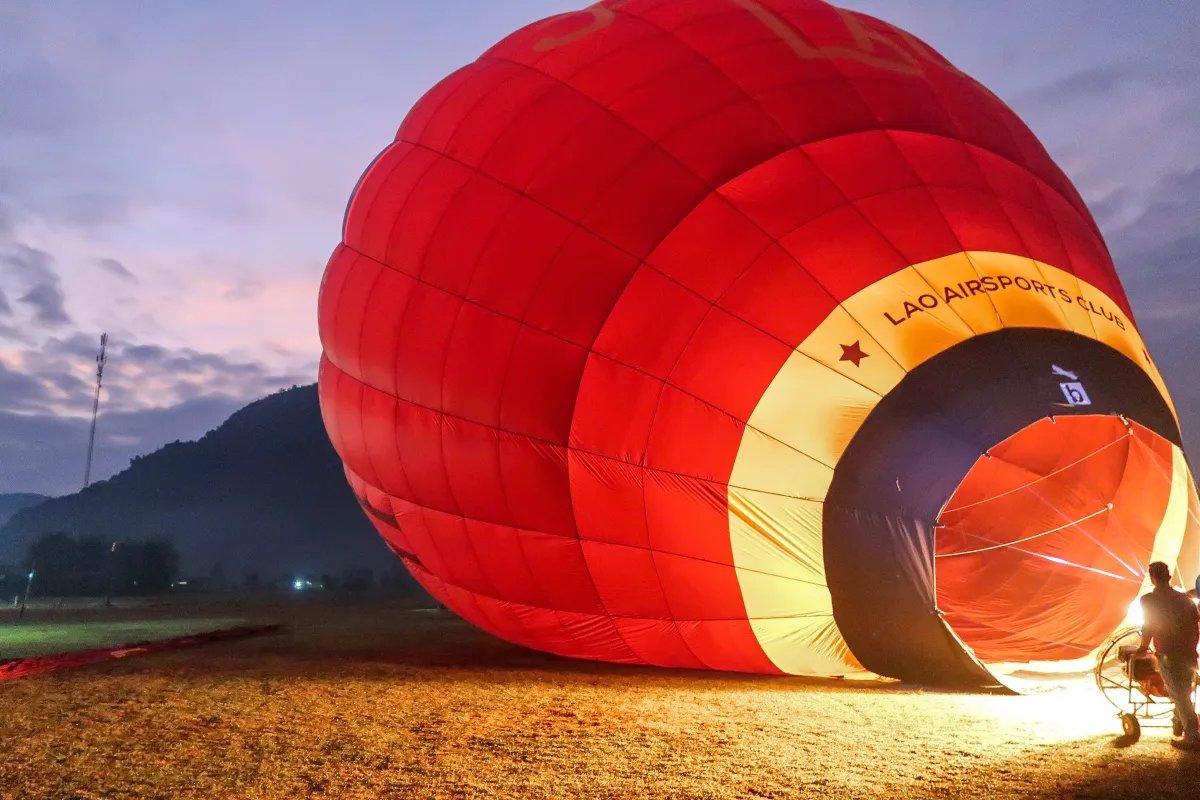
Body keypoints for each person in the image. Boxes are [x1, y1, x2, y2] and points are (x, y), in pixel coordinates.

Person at [1137, 561, 1200, 749]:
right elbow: (1194, 623)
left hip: (1168, 653)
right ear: (1169, 577)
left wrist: (1142, 647)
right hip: (1188, 652)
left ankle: (1193, 736)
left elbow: (1148, 625)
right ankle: (1180, 724)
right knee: (1184, 691)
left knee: (1178, 693)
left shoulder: (1148, 600)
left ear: (1153, 578)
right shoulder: (1184, 599)